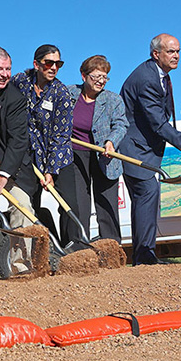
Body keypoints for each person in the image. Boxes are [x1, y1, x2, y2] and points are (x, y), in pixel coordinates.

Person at [120, 34, 181, 266]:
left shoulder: (160, 76)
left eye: (178, 51)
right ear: (156, 54)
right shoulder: (147, 79)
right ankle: (144, 257)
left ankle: (145, 255)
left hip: (147, 150)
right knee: (147, 195)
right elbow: (158, 124)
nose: (176, 56)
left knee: (148, 198)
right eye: (171, 51)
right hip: (135, 150)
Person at [10, 45, 78, 246]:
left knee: (68, 204)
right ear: (36, 64)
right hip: (29, 156)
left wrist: (50, 170)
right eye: (49, 63)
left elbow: (61, 135)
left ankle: (73, 246)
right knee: (33, 203)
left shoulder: (61, 94)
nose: (54, 67)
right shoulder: (20, 81)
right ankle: (48, 246)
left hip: (58, 156)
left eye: (59, 64)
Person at [0, 46, 35, 278]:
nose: (4, 74)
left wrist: (4, 174)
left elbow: (19, 140)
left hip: (8, 168)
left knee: (24, 207)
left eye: (8, 69)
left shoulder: (15, 98)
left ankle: (21, 267)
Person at [66, 55, 129, 242]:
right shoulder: (68, 94)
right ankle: (79, 246)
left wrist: (111, 142)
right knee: (79, 203)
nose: (101, 81)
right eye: (96, 77)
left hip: (105, 155)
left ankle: (110, 247)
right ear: (83, 75)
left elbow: (121, 125)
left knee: (107, 203)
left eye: (105, 77)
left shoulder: (113, 100)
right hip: (76, 156)